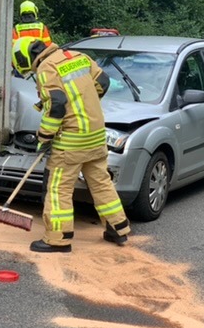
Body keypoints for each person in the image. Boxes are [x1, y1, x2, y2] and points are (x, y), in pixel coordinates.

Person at [11, 36, 131, 253]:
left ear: (25, 58)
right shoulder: (78, 57)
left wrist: (44, 137)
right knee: (101, 183)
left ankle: (58, 239)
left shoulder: (47, 69)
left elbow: (56, 106)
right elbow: (103, 82)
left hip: (71, 141)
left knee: (58, 189)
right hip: (95, 135)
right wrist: (84, 105)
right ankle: (118, 229)